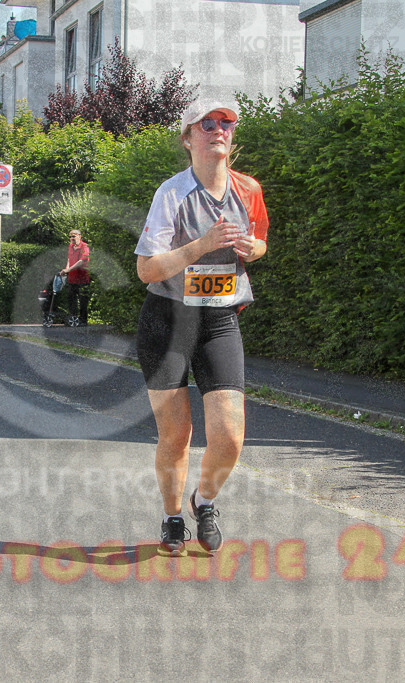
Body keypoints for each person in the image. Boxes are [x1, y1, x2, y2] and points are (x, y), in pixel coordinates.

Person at [133, 100, 269, 557]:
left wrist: (252, 248)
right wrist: (201, 246)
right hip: (167, 320)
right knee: (177, 435)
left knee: (230, 436)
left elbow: (263, 241)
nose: (218, 130)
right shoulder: (171, 194)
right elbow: (147, 270)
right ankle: (173, 518)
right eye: (206, 124)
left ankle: (204, 501)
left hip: (219, 319)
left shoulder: (248, 189)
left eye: (225, 123)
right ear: (188, 138)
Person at [59, 229, 90, 326]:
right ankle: (73, 319)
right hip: (72, 279)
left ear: (80, 236)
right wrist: (66, 268)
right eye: (70, 237)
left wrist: (68, 270)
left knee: (83, 301)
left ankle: (83, 321)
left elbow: (81, 261)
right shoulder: (70, 246)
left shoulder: (85, 247)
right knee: (71, 299)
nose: (72, 238)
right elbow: (69, 258)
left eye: (74, 236)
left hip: (83, 279)